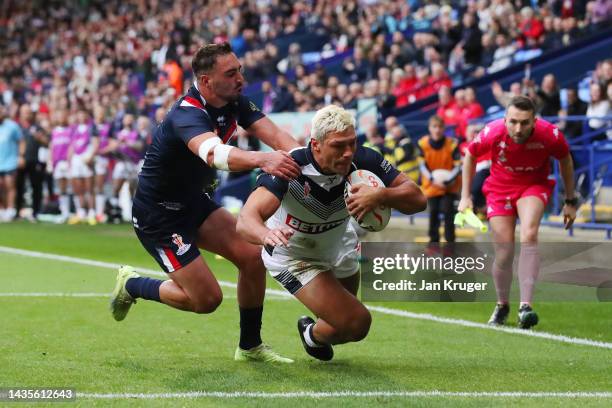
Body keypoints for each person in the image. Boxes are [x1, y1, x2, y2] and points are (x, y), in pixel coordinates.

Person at [109, 42, 301, 363]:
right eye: (231, 73)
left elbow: (280, 137)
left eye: (239, 69)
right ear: (207, 81)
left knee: (254, 257)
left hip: (195, 204)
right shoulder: (186, 114)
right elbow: (215, 153)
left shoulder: (234, 101)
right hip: (160, 215)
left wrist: (311, 167)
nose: (240, 78)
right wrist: (263, 160)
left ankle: (250, 347)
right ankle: (133, 284)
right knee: (206, 300)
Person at [236, 105, 426, 361]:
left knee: (342, 325)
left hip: (340, 243)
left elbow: (418, 199)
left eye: (352, 143)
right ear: (316, 145)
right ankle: (312, 334)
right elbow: (246, 219)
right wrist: (264, 235)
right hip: (294, 256)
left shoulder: (364, 159)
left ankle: (312, 335)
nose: (348, 153)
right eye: (338, 146)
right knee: (357, 323)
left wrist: (381, 194)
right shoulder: (290, 168)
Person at [459, 96, 577, 329]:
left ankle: (525, 306)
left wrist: (570, 200)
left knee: (529, 234)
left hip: (533, 186)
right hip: (499, 188)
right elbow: (470, 156)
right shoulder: (492, 132)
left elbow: (565, 160)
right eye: (513, 122)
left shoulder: (550, 135)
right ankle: (502, 304)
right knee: (504, 252)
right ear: (505, 120)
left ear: (535, 121)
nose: (518, 128)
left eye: (524, 123)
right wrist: (465, 196)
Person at [417, 115, 461, 248]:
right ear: (430, 128)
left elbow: (458, 166)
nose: (437, 130)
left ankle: (450, 243)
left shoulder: (452, 144)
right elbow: (422, 165)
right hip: (431, 185)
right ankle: (433, 242)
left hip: (449, 185)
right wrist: (432, 178)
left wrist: (448, 180)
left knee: (448, 212)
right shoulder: (422, 144)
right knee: (433, 212)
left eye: (440, 127)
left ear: (444, 128)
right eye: (434, 127)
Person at [0, 104, 24, 221]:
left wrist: (20, 156)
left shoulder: (12, 126)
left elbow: (21, 141)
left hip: (9, 161)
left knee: (10, 185)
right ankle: (2, 210)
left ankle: (10, 209)